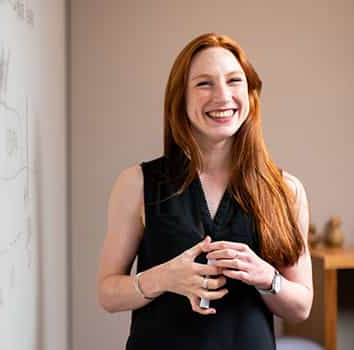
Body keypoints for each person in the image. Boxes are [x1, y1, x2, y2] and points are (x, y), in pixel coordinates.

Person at [97, 33, 312, 349]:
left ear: (250, 94)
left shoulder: (286, 191)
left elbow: (301, 306)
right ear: (179, 99)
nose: (222, 96)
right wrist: (164, 278)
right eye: (204, 84)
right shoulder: (136, 184)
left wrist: (267, 277)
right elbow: (107, 294)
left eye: (234, 81)